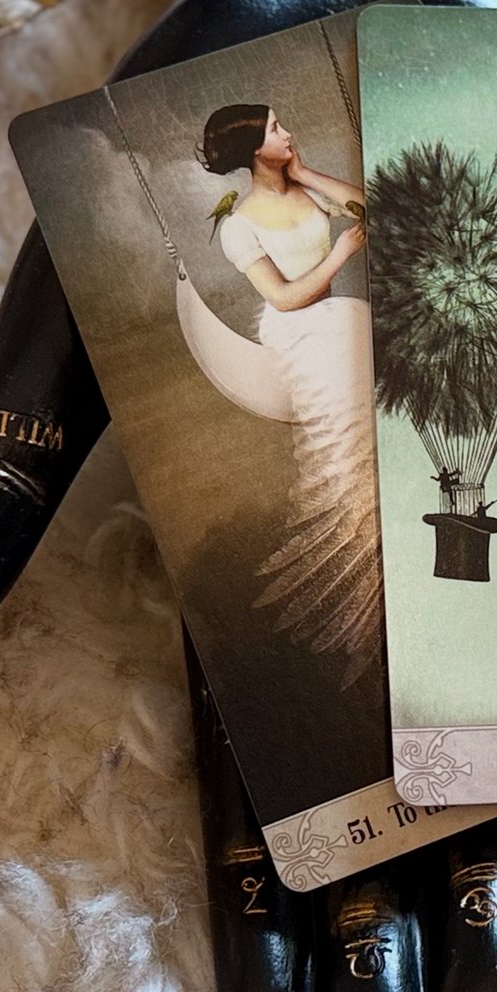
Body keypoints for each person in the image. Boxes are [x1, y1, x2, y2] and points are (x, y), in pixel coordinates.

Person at [196, 102, 380, 673]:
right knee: (349, 459)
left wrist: (304, 173)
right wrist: (342, 253)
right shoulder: (239, 225)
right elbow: (281, 297)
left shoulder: (307, 192)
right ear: (255, 147)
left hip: (337, 320)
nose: (288, 131)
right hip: (297, 329)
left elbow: (372, 209)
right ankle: (352, 591)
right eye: (276, 128)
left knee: (376, 443)